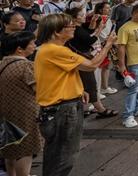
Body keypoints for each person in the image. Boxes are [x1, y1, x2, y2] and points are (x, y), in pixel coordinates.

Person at [34, 13, 115, 175]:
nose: (74, 28)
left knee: (56, 153)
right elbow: (92, 65)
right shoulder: (55, 50)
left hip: (59, 106)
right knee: (64, 155)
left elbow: (59, 76)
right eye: (70, 26)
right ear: (57, 31)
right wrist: (108, 45)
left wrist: (79, 90)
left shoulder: (50, 49)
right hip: (62, 109)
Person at [64, 7, 118, 119]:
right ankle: (100, 109)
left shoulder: (78, 29)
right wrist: (102, 33)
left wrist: (94, 23)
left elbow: (88, 34)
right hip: (82, 58)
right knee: (90, 83)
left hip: (83, 57)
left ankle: (85, 108)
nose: (84, 16)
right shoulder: (75, 31)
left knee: (86, 84)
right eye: (81, 15)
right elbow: (90, 40)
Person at [0, 32, 41, 176]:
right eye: (31, 43)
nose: (34, 46)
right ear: (19, 49)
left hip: (5, 112)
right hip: (26, 113)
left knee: (9, 148)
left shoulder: (2, 63)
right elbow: (39, 89)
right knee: (25, 149)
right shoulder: (26, 66)